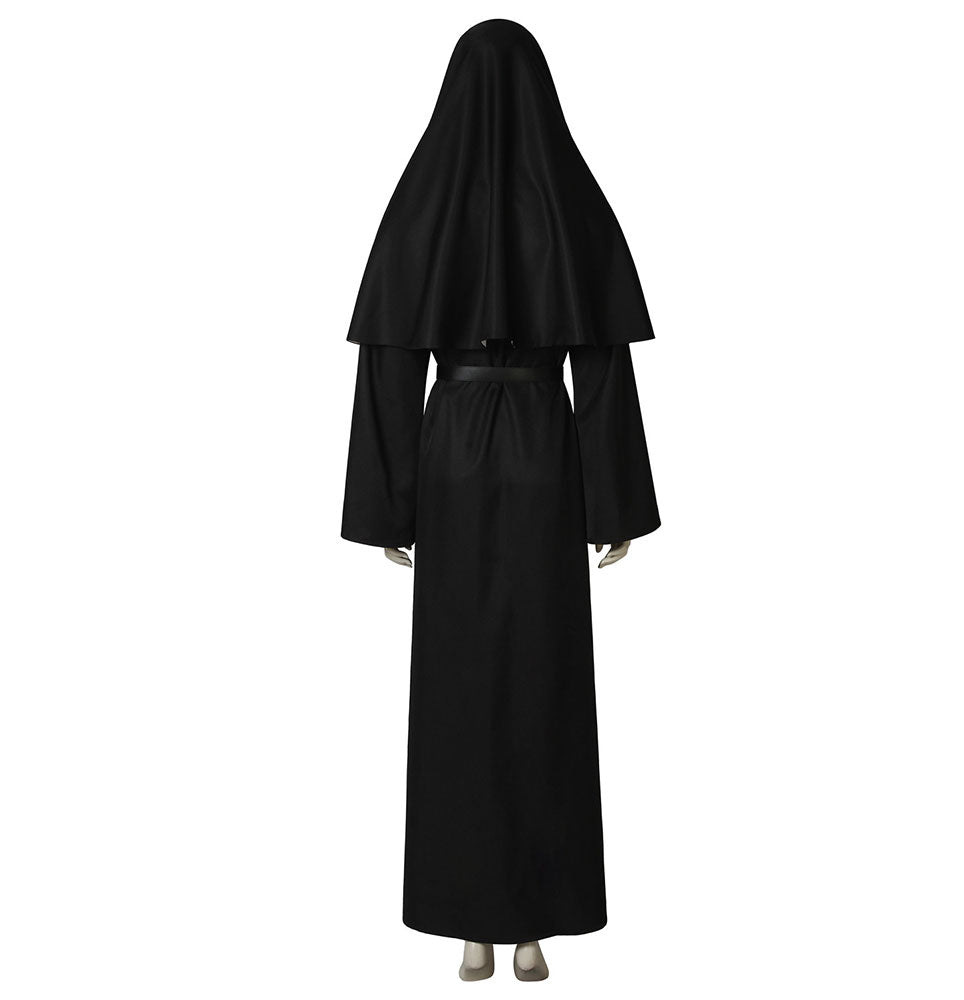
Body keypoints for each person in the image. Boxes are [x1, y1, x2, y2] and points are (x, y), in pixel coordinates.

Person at [341, 19, 659, 981]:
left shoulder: (422, 197)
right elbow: (601, 365)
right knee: (543, 681)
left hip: (452, 453)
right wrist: (613, 506)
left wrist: (389, 507)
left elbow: (388, 361)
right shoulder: (570, 196)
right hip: (545, 452)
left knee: (459, 684)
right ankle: (530, 932)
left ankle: (471, 930)